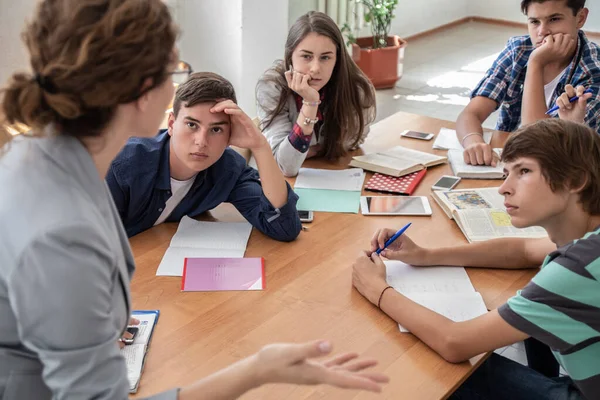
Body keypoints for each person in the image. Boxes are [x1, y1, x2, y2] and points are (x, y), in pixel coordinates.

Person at [0, 1, 388, 398]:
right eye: (175, 70)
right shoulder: (69, 231)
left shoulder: (38, 165)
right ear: (144, 90)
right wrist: (257, 370)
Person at [352, 117, 600, 399]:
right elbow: (521, 252)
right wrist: (425, 255)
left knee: (451, 370)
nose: (504, 188)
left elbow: (455, 341)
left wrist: (377, 290)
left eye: (524, 171)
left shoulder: (578, 268)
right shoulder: (589, 240)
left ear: (576, 180)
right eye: (506, 173)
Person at [107, 72, 302, 240]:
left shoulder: (227, 170)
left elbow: (284, 228)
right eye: (192, 125)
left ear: (229, 134)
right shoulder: (122, 165)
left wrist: (260, 147)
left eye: (216, 129)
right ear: (172, 124)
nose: (201, 141)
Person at [457, 0, 600, 167]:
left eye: (554, 19)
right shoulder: (518, 50)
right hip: (512, 163)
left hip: (563, 170)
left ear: (580, 18)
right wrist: (474, 142)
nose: (542, 32)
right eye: (534, 21)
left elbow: (538, 144)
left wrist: (535, 63)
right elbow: (470, 114)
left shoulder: (593, 70)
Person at [256, 11, 376, 177]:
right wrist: (310, 103)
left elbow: (356, 138)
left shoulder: (357, 87)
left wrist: (310, 149)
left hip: (336, 175)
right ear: (290, 56)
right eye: (306, 56)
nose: (315, 68)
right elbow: (286, 166)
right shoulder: (271, 86)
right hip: (285, 185)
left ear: (337, 59)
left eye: (325, 58)